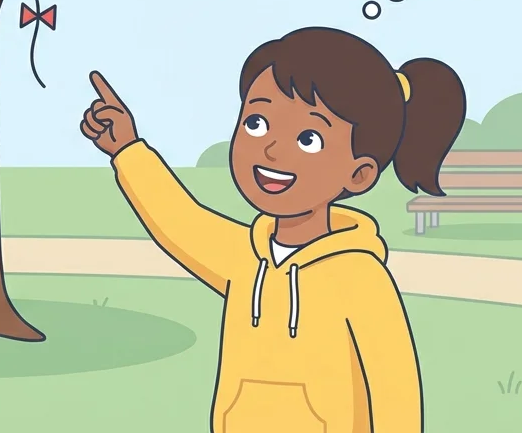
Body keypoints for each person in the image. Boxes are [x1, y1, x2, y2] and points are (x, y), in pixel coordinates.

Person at [81, 27, 465, 433]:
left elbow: (394, 391)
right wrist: (127, 149)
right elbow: (180, 221)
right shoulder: (245, 256)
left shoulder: (360, 277)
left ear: (360, 173)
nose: (271, 149)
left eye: (309, 138)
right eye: (257, 122)